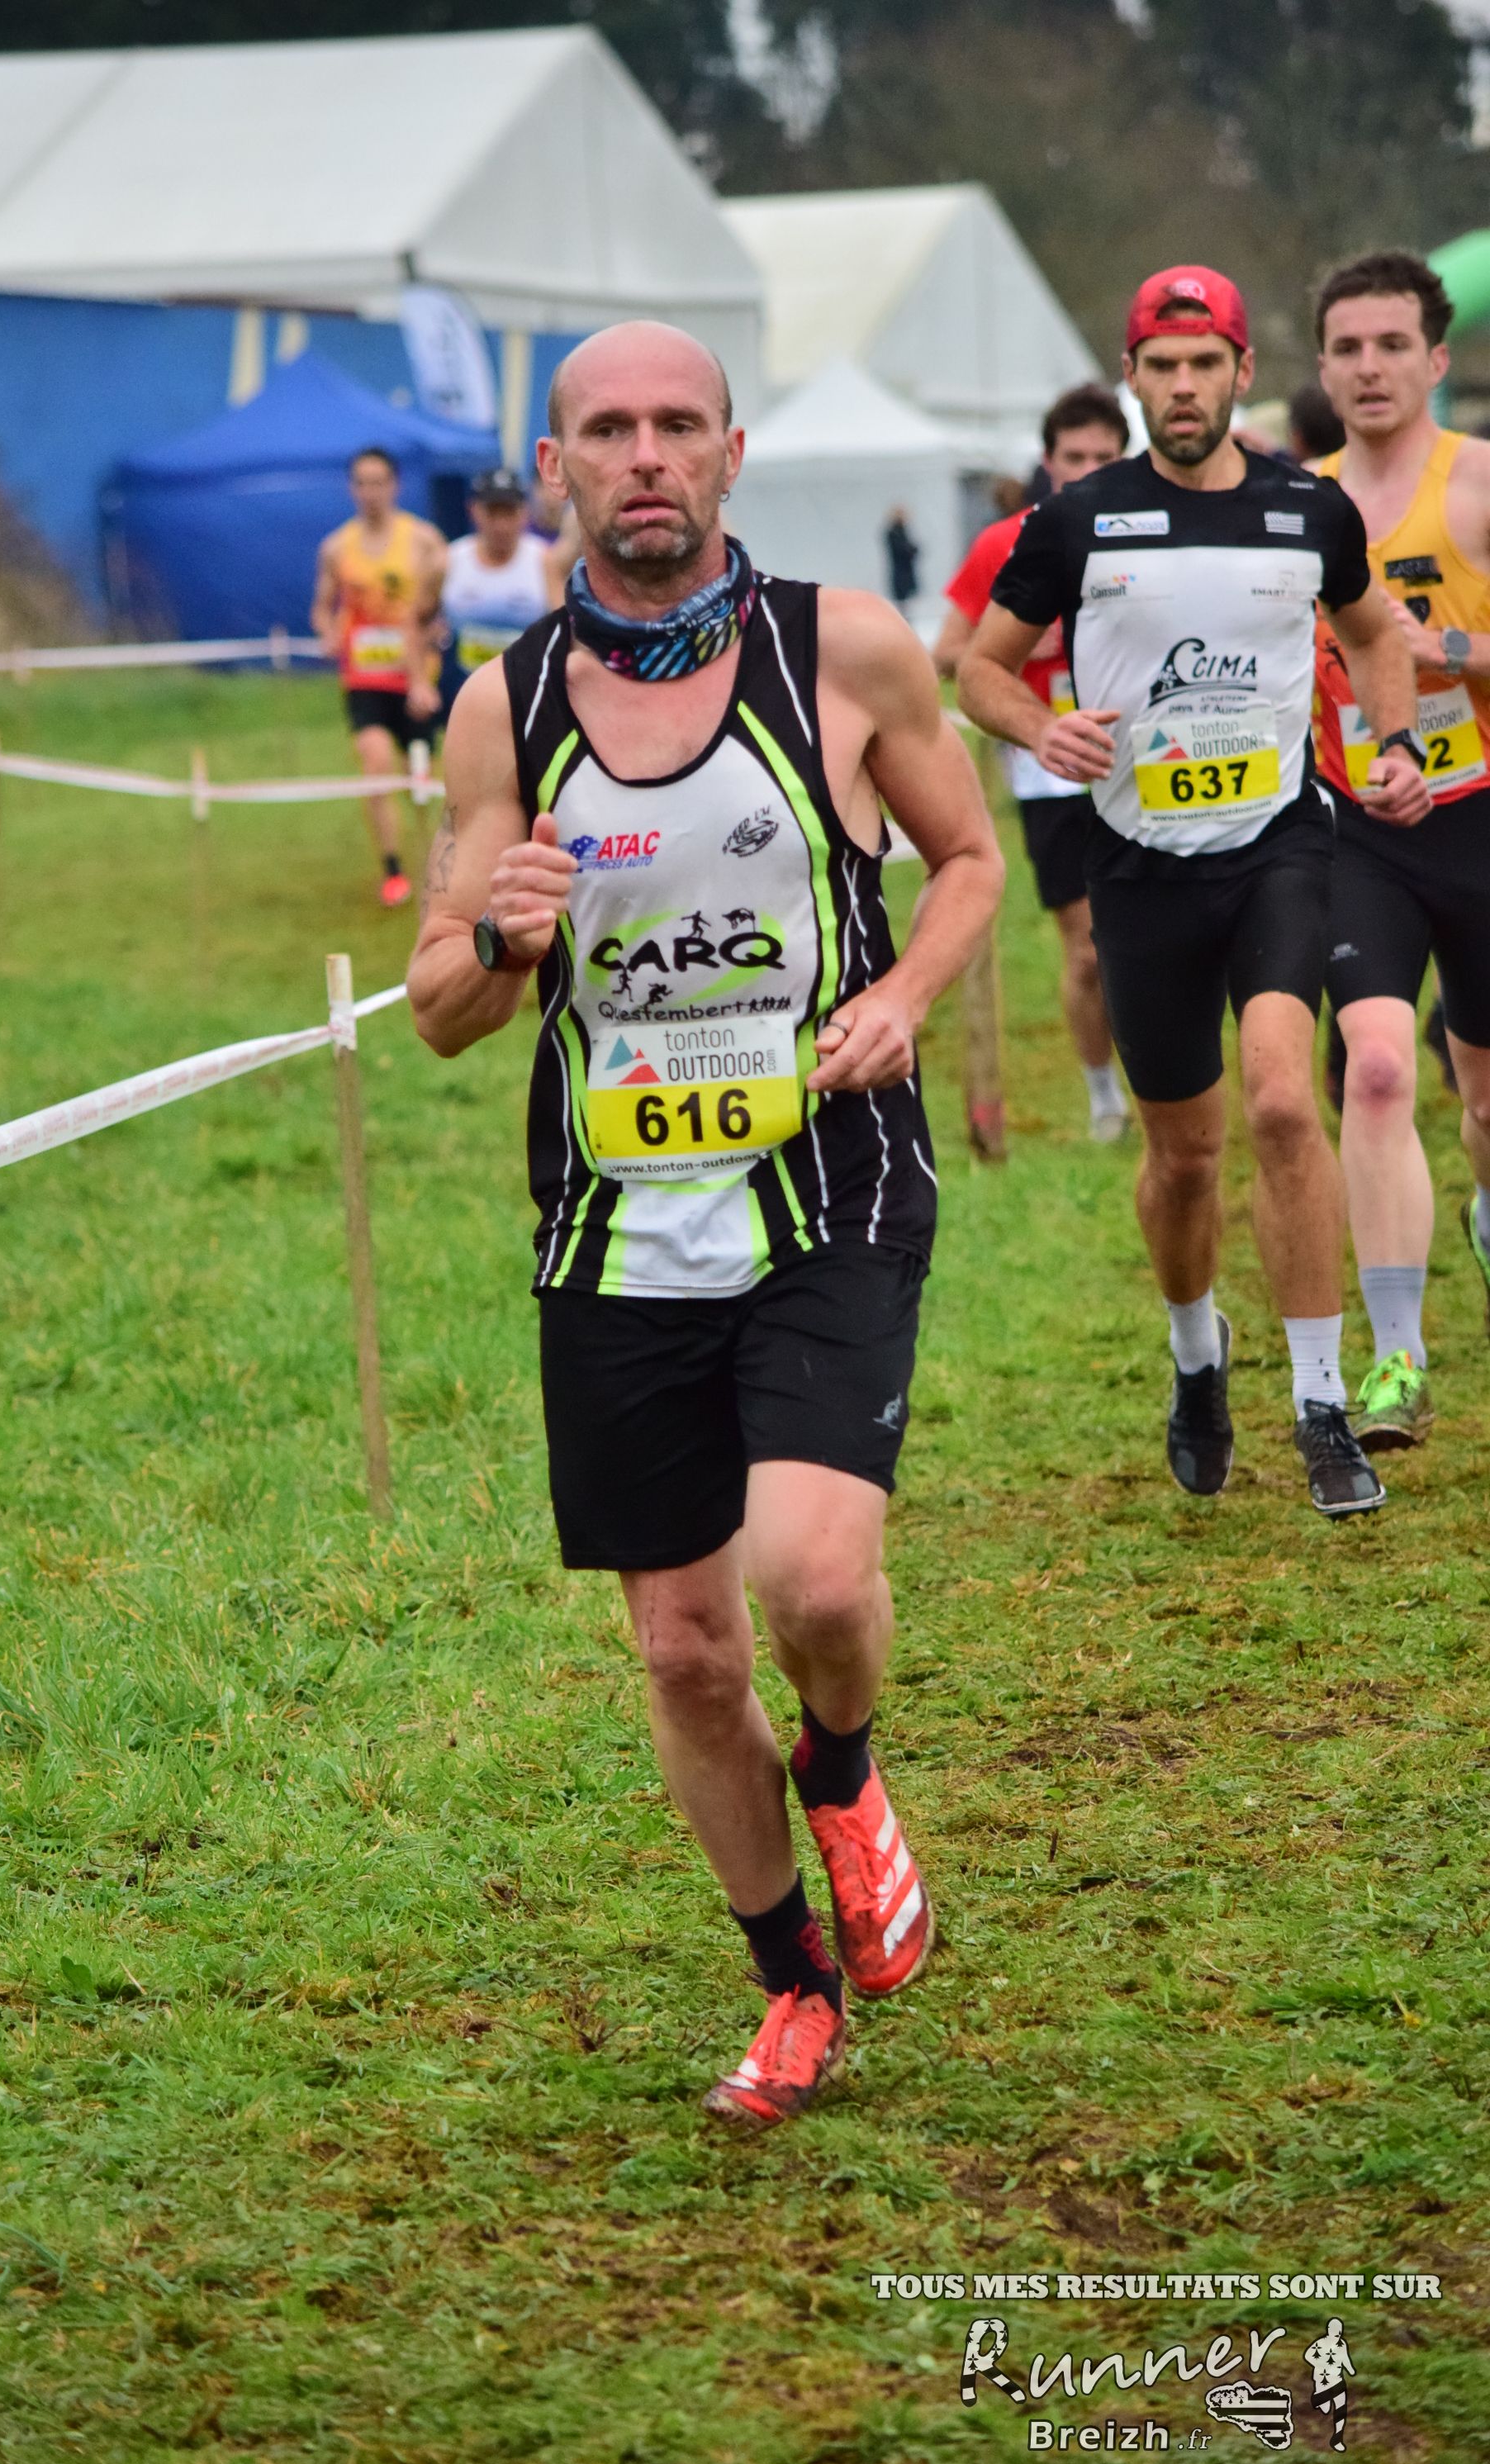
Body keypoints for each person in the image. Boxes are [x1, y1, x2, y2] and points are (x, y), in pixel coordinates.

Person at [408, 320, 1003, 2128]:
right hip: (614, 1224)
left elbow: (971, 859)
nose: (647, 454)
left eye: (679, 423)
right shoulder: (503, 707)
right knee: (679, 1646)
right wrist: (499, 935)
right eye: (609, 429)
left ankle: (844, 1765)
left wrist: (902, 994)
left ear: (732, 454)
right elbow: (440, 1007)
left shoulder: (846, 649)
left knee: (810, 1574)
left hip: (830, 1182)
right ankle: (790, 1980)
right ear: (556, 468)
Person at [959, 264, 1431, 1517]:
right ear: (1131, 376)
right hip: (1138, 866)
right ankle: (1195, 1356)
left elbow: (1372, 633)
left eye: (1203, 364)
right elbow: (980, 668)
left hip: (1278, 848)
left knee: (1280, 1099)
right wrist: (1040, 726)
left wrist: (1392, 742)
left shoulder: (1306, 508)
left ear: (1238, 370)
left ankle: (1320, 1403)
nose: (1182, 387)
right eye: (1160, 367)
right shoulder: (1076, 519)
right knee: (1183, 1159)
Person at [1311, 250, 1490, 1447]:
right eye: (1347, 348)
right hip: (1357, 825)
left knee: (1483, 1095)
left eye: (1390, 346)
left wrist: (1448, 651)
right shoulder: (1292, 504)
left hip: (1479, 812)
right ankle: (1397, 1363)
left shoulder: (1474, 484)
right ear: (1320, 369)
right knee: (1373, 1069)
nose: (1369, 368)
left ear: (1434, 360)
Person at [935, 382, 1132, 1140]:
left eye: (1104, 458)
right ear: (1048, 463)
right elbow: (948, 653)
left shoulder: (1148, 534)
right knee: (1088, 953)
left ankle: (1166, 1081)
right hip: (1049, 771)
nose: (1086, 472)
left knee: (1151, 943)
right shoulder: (1005, 544)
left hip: (1145, 760)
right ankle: (1103, 1093)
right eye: (1073, 457)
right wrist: (1022, 644)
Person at [312, 446, 446, 908]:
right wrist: (329, 633)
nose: (370, 492)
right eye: (362, 483)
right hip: (364, 678)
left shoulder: (424, 541)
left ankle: (439, 866)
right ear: (352, 489)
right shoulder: (336, 548)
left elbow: (443, 602)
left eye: (379, 482)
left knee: (421, 782)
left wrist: (437, 627)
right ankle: (392, 869)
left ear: (395, 485)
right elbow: (321, 608)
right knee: (375, 765)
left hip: (417, 679)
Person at [436, 468, 567, 711]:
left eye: (509, 513)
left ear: (524, 513)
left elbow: (563, 628)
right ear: (473, 510)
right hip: (461, 692)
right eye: (492, 513)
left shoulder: (542, 560)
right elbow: (417, 620)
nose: (501, 525)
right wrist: (420, 682)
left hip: (525, 691)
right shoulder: (450, 560)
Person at [884, 506, 920, 610]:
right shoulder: (894, 533)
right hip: (901, 571)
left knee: (905, 601)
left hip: (904, 571)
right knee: (902, 600)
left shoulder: (901, 532)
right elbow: (903, 549)